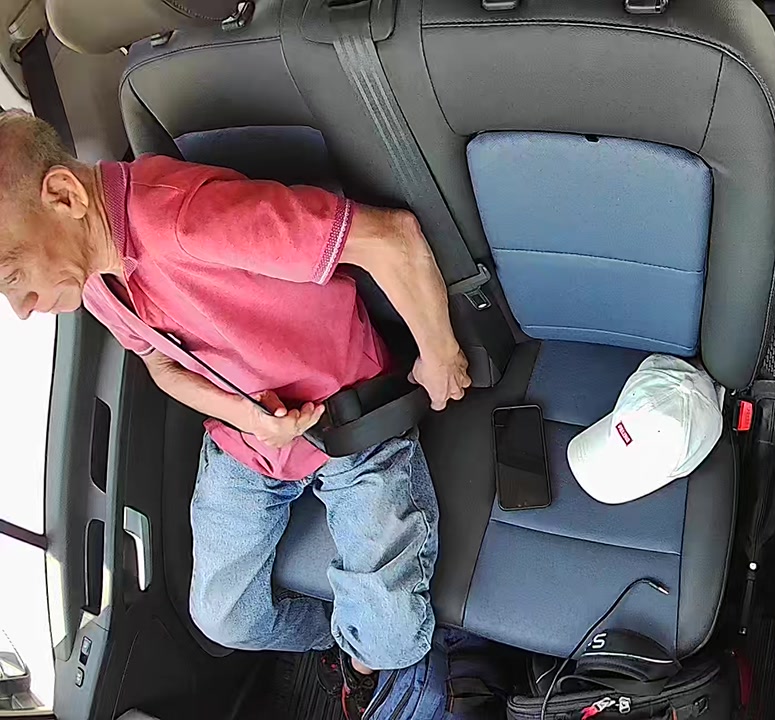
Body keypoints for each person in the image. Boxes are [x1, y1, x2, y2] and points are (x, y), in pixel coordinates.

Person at [0, 110, 470, 719]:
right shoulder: (92, 279)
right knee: (223, 619)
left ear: (64, 196)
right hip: (248, 441)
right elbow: (161, 364)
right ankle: (343, 641)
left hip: (348, 420)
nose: (21, 308)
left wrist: (440, 354)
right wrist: (248, 418)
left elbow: (389, 238)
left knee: (391, 641)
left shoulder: (181, 219)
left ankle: (369, 658)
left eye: (13, 275)